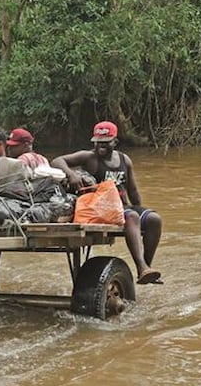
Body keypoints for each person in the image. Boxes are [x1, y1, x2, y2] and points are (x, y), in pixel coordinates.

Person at [51, 121, 163, 284]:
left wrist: (141, 208)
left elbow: (132, 190)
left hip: (122, 206)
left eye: (105, 143)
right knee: (131, 216)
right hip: (100, 208)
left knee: (154, 219)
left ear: (115, 142)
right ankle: (141, 266)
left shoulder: (125, 160)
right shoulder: (89, 157)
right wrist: (71, 174)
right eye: (97, 143)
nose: (100, 146)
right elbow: (57, 161)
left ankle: (145, 268)